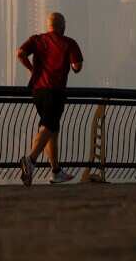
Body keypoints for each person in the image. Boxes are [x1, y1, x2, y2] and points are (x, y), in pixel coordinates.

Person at [17, 11, 84, 185]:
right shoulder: (68, 43)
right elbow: (77, 66)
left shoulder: (37, 40)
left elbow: (20, 53)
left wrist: (32, 69)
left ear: (49, 26)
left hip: (37, 91)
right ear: (63, 26)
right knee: (48, 126)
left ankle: (56, 171)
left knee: (51, 129)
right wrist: (73, 66)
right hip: (55, 91)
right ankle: (30, 160)